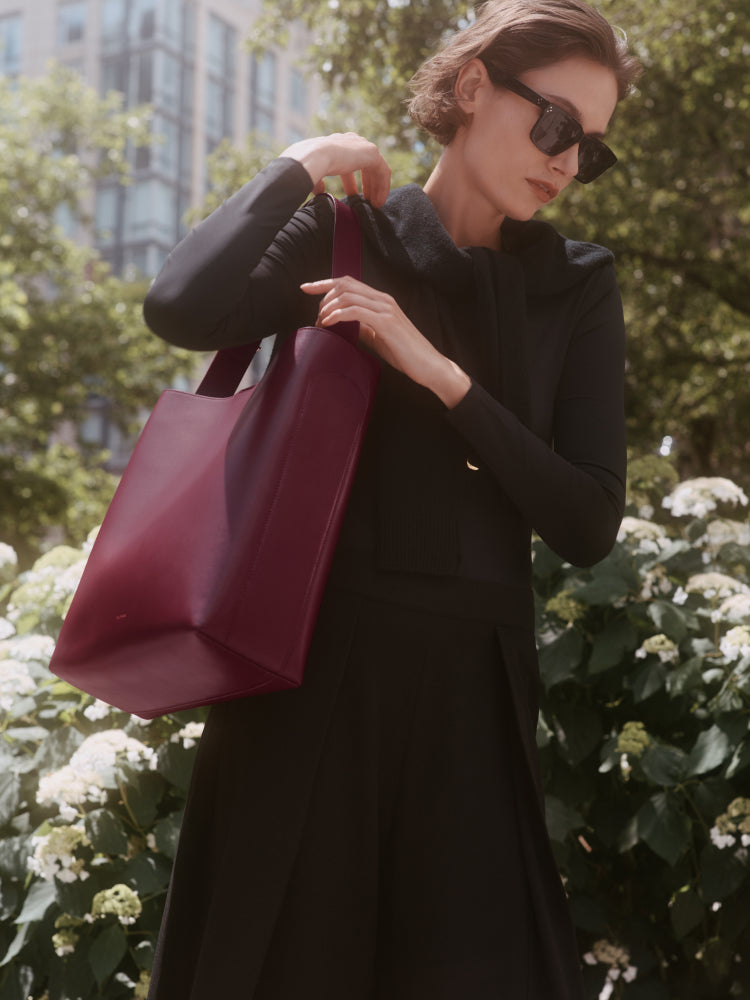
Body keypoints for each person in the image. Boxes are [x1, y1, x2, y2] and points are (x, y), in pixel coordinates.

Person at [143, 1, 641, 996]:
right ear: (470, 89)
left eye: (590, 149)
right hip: (307, 687)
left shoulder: (579, 285)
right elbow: (180, 306)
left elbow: (587, 520)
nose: (566, 162)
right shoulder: (345, 238)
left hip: (474, 706)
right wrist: (305, 157)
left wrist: (439, 374)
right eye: (555, 127)